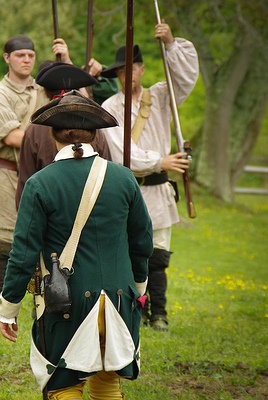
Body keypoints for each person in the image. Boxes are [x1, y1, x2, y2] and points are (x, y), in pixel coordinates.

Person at [0, 90, 153, 399]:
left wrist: (8, 308)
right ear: (95, 136)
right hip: (121, 302)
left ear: (54, 137)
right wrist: (139, 288)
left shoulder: (40, 183)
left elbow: (23, 253)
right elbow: (142, 243)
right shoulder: (124, 178)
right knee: (107, 381)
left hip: (65, 304)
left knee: (63, 384)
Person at [100, 22, 198, 331]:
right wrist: (160, 161)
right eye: (120, 71)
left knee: (157, 256)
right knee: (128, 253)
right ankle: (135, 310)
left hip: (157, 193)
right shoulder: (109, 107)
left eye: (132, 69)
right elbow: (120, 153)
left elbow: (185, 78)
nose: (127, 75)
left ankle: (159, 314)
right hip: (127, 191)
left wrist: (170, 43)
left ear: (142, 69)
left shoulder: (160, 95)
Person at [0, 34, 49, 320]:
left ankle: (40, 303)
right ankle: (3, 305)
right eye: (20, 55)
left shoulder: (44, 90)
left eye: (30, 56)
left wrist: (66, 61)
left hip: (40, 174)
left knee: (42, 241)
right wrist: (54, 140)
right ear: (7, 58)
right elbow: (13, 137)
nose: (26, 60)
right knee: (5, 243)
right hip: (7, 175)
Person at [15, 61, 114, 207]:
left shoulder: (34, 130)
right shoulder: (95, 127)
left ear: (45, 92)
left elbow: (26, 189)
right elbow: (107, 179)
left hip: (48, 215)